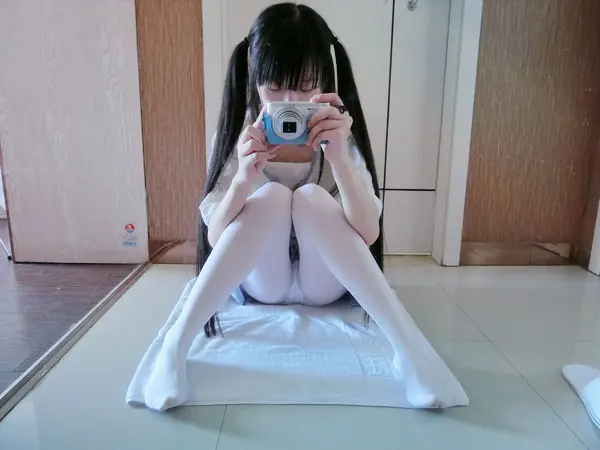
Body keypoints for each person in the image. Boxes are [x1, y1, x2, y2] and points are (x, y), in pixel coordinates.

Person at [142, 2, 467, 411]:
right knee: (273, 197)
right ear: (254, 79)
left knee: (311, 198)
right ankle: (176, 346)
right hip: (264, 284)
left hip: (322, 285)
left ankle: (408, 349)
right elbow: (216, 236)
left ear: (326, 81)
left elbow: (368, 232)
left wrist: (341, 160)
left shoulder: (336, 131)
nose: (290, 100)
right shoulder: (241, 132)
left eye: (306, 85)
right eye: (275, 86)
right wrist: (243, 179)